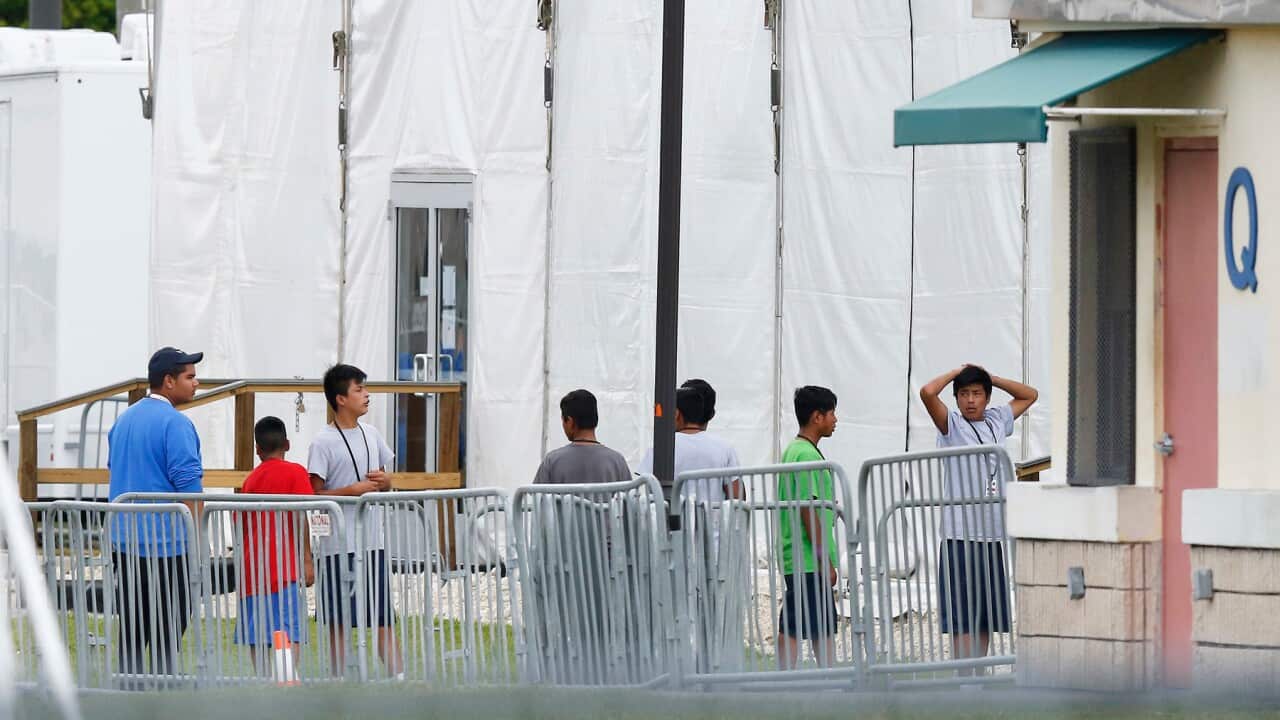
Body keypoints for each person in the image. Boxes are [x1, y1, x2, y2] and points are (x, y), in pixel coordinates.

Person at [919, 364, 1038, 672]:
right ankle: (963, 675)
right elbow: (927, 392)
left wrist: (992, 378)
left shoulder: (997, 419)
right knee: (962, 612)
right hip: (960, 532)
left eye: (977, 393)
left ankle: (979, 672)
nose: (970, 400)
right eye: (963, 394)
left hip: (991, 533)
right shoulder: (952, 425)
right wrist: (958, 371)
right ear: (956, 398)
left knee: (986, 612)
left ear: (987, 396)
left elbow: (1030, 395)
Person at [107, 346, 204, 683]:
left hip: (124, 542)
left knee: (132, 632)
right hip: (167, 546)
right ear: (169, 381)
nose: (196, 383)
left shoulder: (122, 421)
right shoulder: (176, 424)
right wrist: (199, 545)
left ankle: (127, 694)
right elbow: (190, 490)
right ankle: (162, 697)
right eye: (190, 377)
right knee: (167, 635)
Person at [307, 364, 403, 679]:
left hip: (372, 543)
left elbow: (386, 480)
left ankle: (398, 679)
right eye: (359, 389)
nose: (366, 395)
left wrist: (386, 483)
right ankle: (338, 682)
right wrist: (352, 491)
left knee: (383, 618)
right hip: (336, 547)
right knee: (338, 622)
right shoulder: (322, 442)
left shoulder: (371, 433)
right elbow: (314, 494)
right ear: (340, 399)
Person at [236, 416, 315, 675]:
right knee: (288, 629)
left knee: (257, 632)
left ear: (257, 449)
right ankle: (285, 679)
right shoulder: (296, 473)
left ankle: (262, 681)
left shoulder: (250, 480)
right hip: (285, 568)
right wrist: (307, 558)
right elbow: (302, 516)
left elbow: (240, 523)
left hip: (252, 570)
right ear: (287, 444)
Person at [776, 386, 840, 669]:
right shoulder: (807, 456)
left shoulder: (793, 450)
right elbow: (807, 508)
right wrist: (824, 559)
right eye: (832, 413)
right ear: (817, 417)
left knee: (810, 620)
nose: (835, 420)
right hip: (808, 557)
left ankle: (818, 675)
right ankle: (819, 677)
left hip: (797, 554)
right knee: (806, 622)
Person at [638, 381, 742, 502]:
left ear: (676, 414)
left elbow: (647, 489)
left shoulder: (660, 446)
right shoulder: (724, 447)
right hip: (713, 514)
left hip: (671, 514)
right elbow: (737, 497)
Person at [532, 389, 631, 485]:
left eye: (563, 421)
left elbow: (537, 495)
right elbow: (631, 496)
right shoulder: (618, 462)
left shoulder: (552, 461)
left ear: (570, 421)